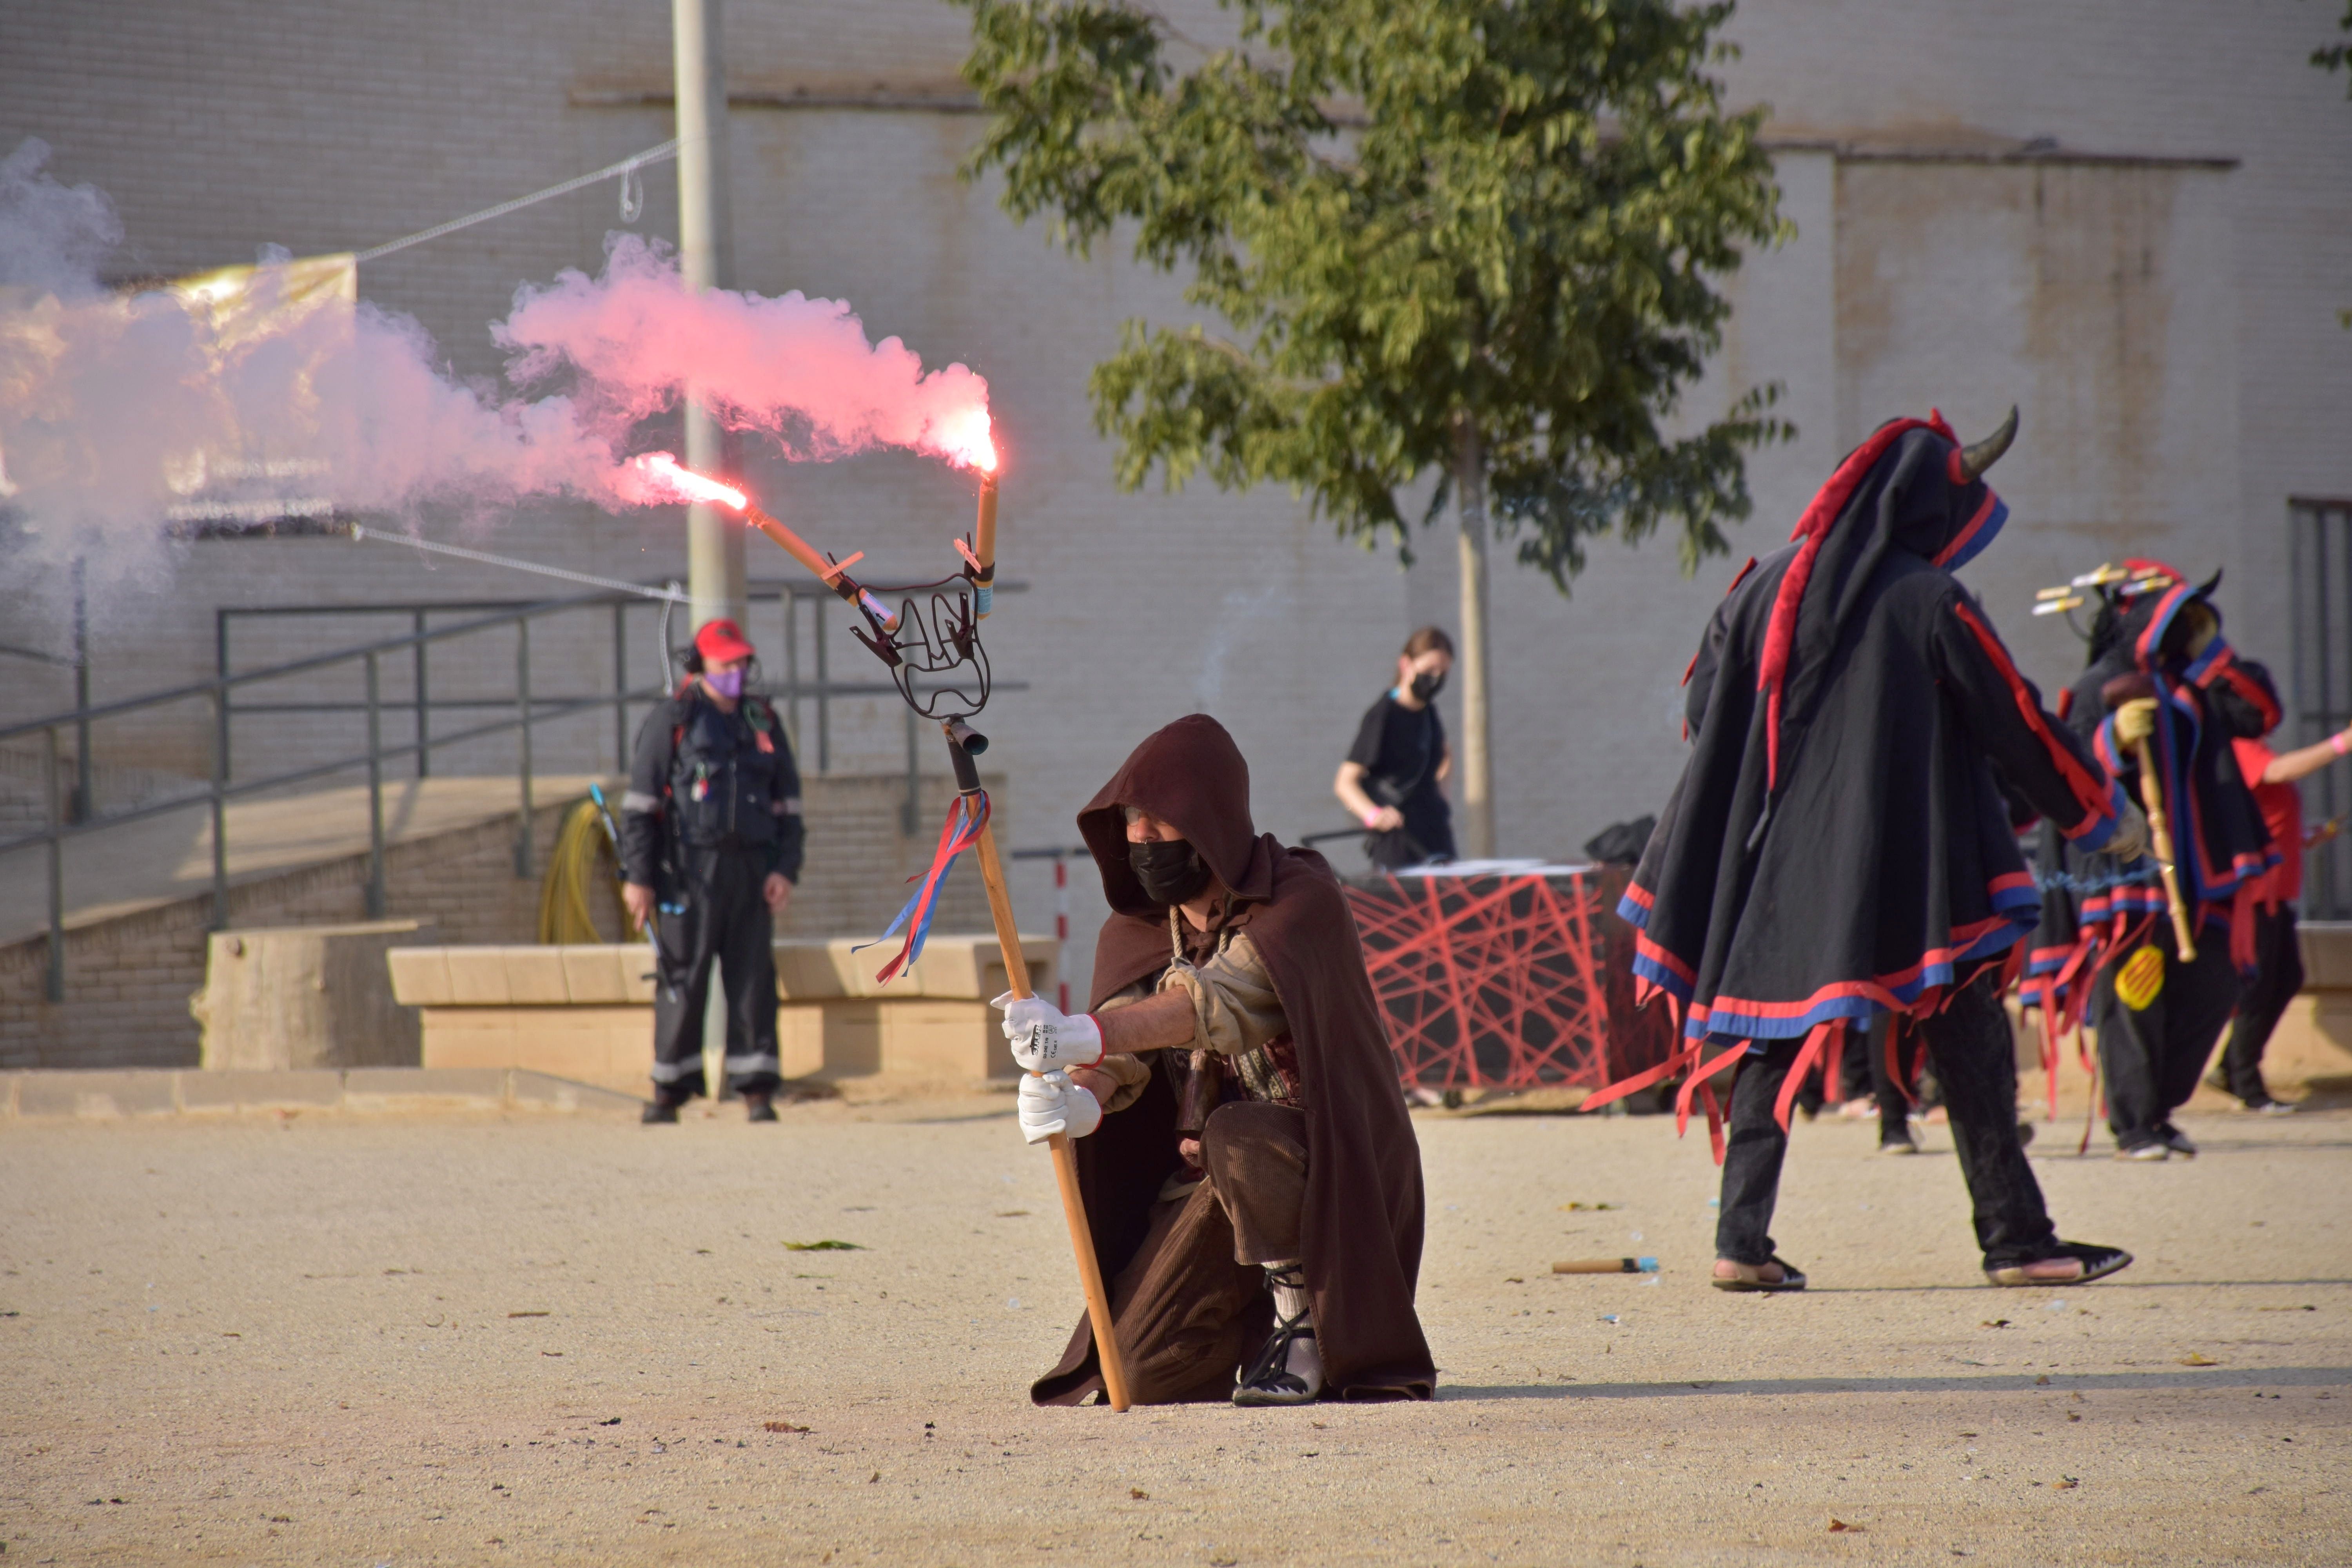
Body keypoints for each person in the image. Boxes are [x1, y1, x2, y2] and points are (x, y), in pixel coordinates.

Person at [1605, 408, 2141, 1290]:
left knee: (1767, 1040)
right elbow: (2013, 721)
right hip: (1913, 867)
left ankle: (1741, 1241)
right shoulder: (1930, 597)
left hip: (1774, 865)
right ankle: (2017, 1239)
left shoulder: (1758, 584)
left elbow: (1702, 710)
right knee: (1968, 1035)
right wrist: (2097, 810)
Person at [996, 714, 1434, 1406]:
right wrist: (1079, 1091)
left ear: (1211, 823)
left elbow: (1215, 1003)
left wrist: (1079, 1033)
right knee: (1139, 1373)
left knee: (1238, 1131)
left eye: (1160, 821)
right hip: (1213, 1181)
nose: (1141, 837)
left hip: (1330, 1178)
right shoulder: (1142, 930)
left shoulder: (1299, 902)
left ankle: (1305, 1329)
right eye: (1132, 820)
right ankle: (1251, 1334)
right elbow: (1128, 1046)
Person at [2031, 563, 2280, 1159]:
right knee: (2136, 992)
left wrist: (2210, 648)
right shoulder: (2100, 683)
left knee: (2216, 985)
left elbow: (2260, 714)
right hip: (2130, 869)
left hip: (2201, 870)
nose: (2181, 625)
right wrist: (2111, 738)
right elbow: (2065, 772)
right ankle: (2134, 1123)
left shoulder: (2193, 684)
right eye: (2176, 614)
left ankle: (2161, 1109)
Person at [619, 618, 804, 1124]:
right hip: (687, 870)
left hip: (752, 869)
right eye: (727, 665)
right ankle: (670, 1090)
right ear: (701, 667)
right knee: (682, 977)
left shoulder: (762, 719)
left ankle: (756, 1089)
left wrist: (785, 870)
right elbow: (639, 807)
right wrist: (639, 879)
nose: (737, 672)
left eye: (742, 663)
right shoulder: (672, 719)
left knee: (752, 980)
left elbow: (789, 805)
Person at [2210, 675, 2352, 1112]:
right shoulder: (2240, 749)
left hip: (2276, 891)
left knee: (2285, 978)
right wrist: (2342, 742)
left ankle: (2230, 1068)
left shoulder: (2250, 748)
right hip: (2257, 894)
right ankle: (2247, 1084)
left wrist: (2309, 834)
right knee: (2258, 987)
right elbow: (2279, 771)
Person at [1334, 627, 1456, 870]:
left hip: (1436, 839)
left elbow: (1444, 756)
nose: (1435, 679)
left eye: (1443, 673)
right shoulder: (1384, 715)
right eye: (1429, 670)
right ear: (1406, 664)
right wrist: (1373, 816)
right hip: (1399, 844)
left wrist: (1440, 799)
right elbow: (1345, 782)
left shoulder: (1429, 713)